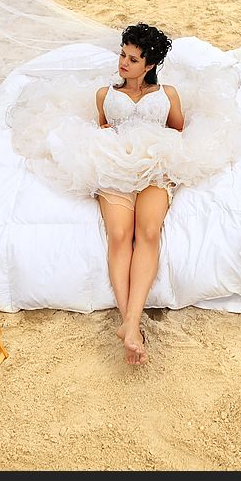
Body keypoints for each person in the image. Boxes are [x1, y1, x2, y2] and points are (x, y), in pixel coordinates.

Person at [93, 23, 184, 365]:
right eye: (122, 54)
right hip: (115, 164)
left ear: (149, 65)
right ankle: (130, 324)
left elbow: (177, 129)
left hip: (155, 164)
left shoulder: (168, 94)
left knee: (148, 232)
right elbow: (101, 127)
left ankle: (130, 324)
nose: (123, 62)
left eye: (133, 58)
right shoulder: (105, 94)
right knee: (119, 235)